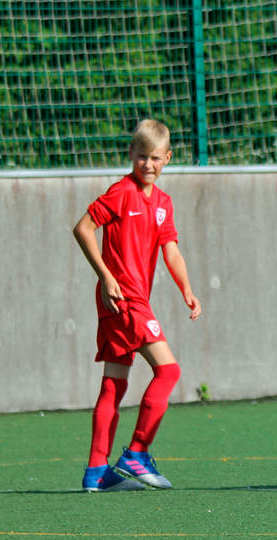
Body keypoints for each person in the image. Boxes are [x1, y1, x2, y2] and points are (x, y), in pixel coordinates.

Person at [73, 119, 201, 492]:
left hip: (128, 300)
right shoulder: (121, 192)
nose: (148, 164)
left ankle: (97, 471)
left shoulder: (162, 203)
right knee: (169, 371)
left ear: (168, 159)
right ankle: (137, 452)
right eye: (142, 157)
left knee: (114, 384)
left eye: (156, 158)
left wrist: (187, 289)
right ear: (131, 155)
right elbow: (82, 228)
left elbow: (171, 250)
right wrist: (106, 275)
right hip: (123, 298)